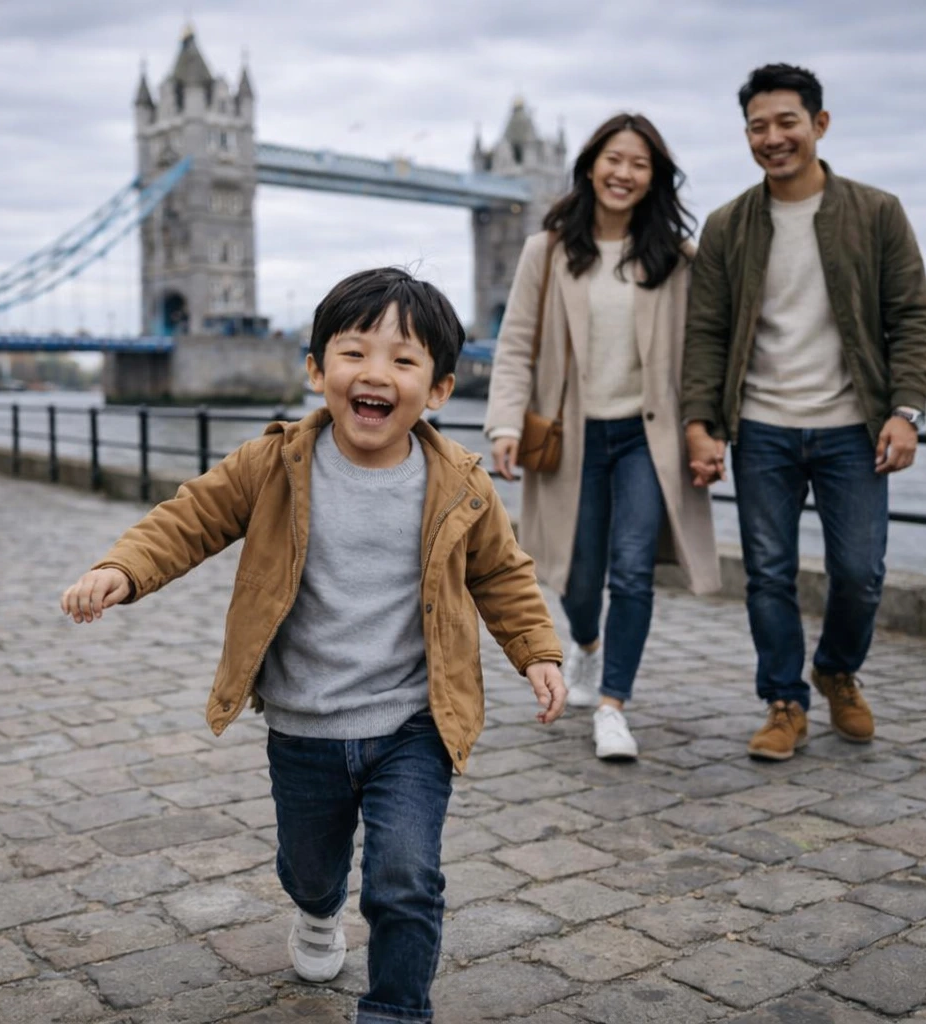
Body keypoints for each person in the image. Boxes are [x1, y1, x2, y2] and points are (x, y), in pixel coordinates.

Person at [60, 268, 567, 1024]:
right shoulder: (273, 464)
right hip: (303, 725)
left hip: (414, 722)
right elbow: (189, 520)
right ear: (316, 369)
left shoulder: (460, 483)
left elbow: (502, 574)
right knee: (311, 867)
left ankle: (394, 1010)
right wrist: (122, 568)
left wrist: (538, 650)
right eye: (355, 352)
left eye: (403, 360)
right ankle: (318, 909)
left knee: (405, 876)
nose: (375, 374)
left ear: (437, 391)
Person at [681, 63, 926, 761]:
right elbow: (704, 331)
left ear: (819, 125)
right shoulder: (728, 225)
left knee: (860, 571)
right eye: (758, 126)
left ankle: (836, 670)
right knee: (767, 572)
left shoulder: (876, 212)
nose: (773, 137)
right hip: (761, 426)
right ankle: (784, 699)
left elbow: (912, 316)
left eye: (786, 122)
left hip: (853, 426)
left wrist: (906, 410)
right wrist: (700, 423)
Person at [485, 113, 720, 762]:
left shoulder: (676, 258)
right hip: (572, 438)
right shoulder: (549, 250)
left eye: (639, 164)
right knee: (575, 574)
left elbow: (706, 351)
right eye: (614, 160)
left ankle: (614, 705)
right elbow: (515, 346)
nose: (624, 173)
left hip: (648, 441)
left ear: (654, 178)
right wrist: (506, 423)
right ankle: (586, 648)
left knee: (634, 571)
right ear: (591, 165)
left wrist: (708, 431)